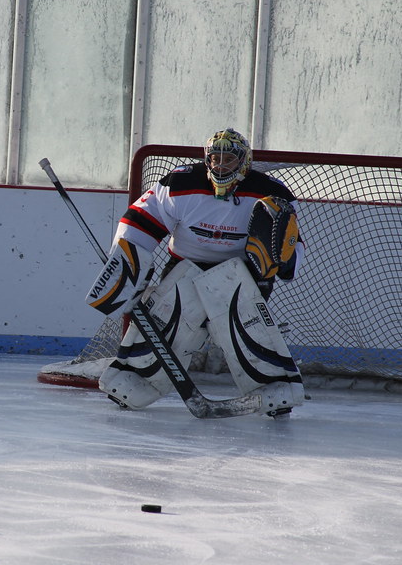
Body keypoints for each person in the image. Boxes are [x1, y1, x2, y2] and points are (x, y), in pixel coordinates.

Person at [85, 128, 306, 414]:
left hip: (242, 272)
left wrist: (283, 263)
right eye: (216, 158)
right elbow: (140, 222)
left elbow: (291, 243)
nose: (221, 165)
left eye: (229, 159)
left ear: (245, 161)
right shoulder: (180, 183)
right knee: (168, 320)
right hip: (184, 265)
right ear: (207, 159)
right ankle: (134, 380)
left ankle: (275, 387)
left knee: (243, 327)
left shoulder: (271, 192)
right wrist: (130, 269)